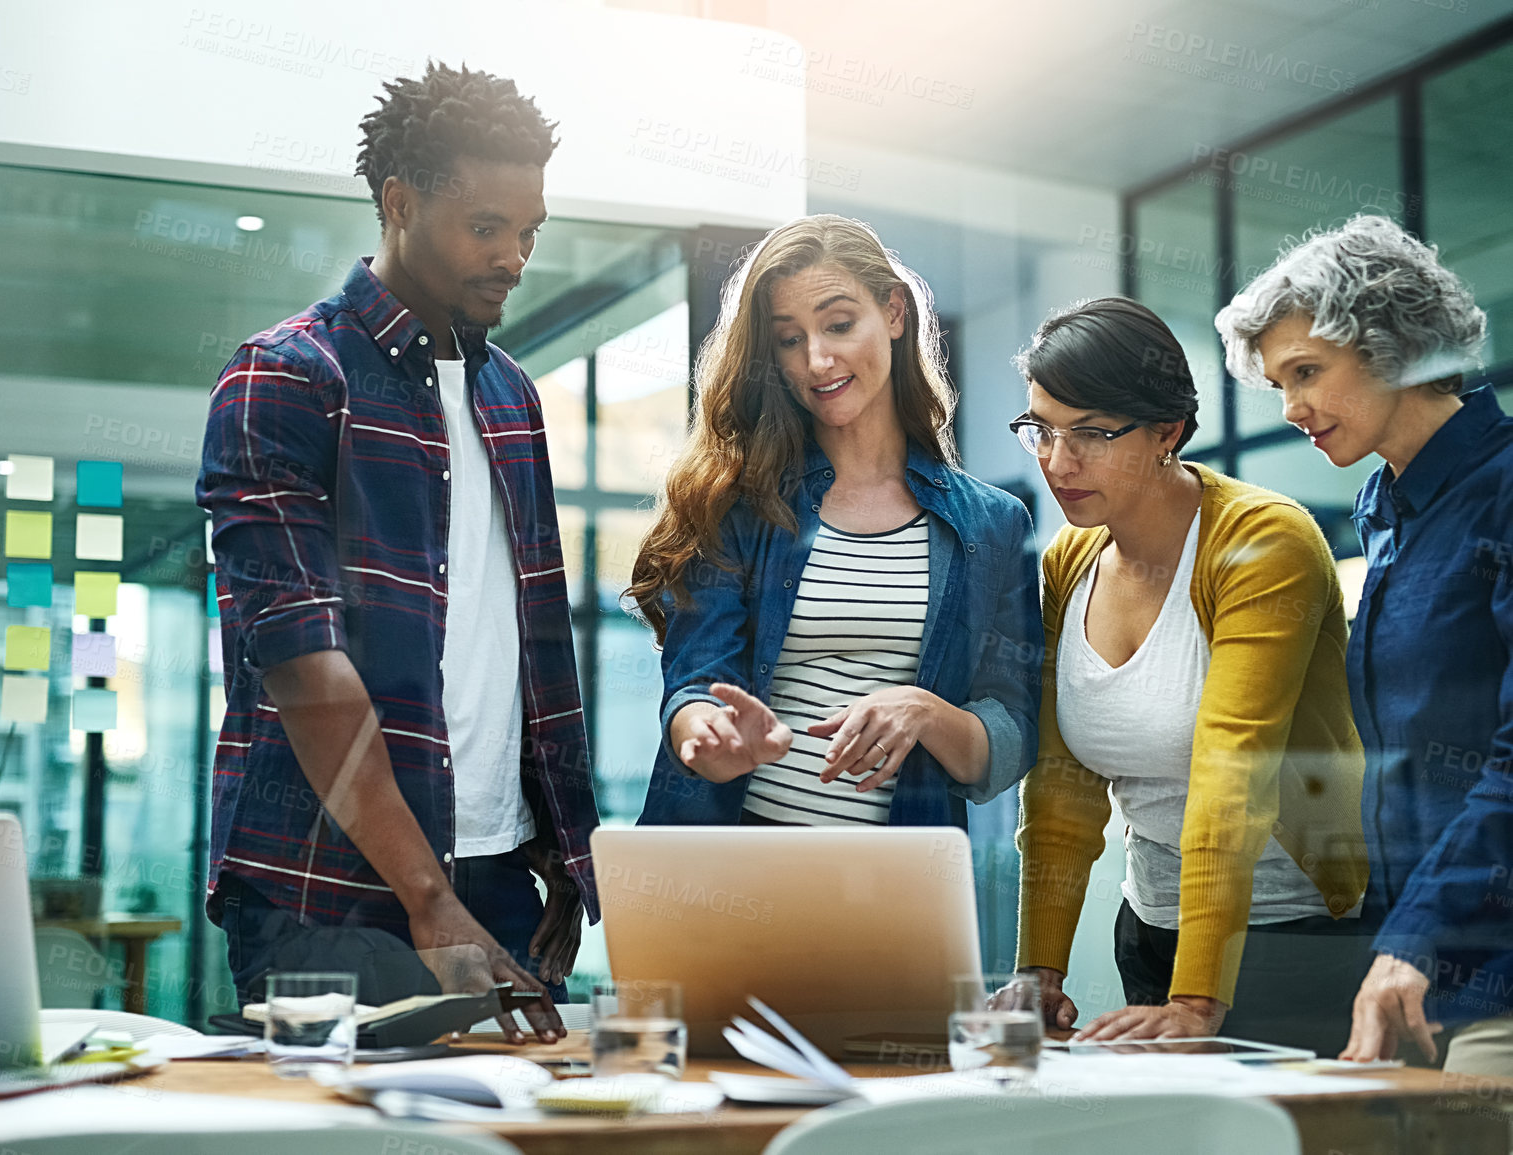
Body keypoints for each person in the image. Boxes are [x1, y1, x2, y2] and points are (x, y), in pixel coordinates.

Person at [195, 63, 599, 1043]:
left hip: (494, 883)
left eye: (530, 231)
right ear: (400, 202)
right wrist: (427, 899)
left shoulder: (513, 398)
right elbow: (299, 665)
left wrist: (550, 843)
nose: (515, 256)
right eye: (486, 227)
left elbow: (521, 644)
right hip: (328, 890)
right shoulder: (288, 375)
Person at [1011, 297, 1369, 1055]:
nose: (1055, 460)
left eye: (1091, 434)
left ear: (1166, 431)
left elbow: (1228, 772)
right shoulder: (1068, 562)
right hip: (1149, 928)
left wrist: (1197, 997)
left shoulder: (1261, 541)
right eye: (1039, 427)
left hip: (1292, 933)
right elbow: (1061, 790)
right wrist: (1037, 971)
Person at [1217, 214, 1513, 1075]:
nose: (1290, 408)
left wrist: (1418, 937)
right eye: (1277, 383)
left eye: (1306, 373)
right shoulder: (1380, 512)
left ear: (1391, 345)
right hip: (1415, 973)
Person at [628, 214, 1040, 830]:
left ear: (895, 312)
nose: (817, 360)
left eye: (840, 325)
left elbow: (1013, 735)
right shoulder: (737, 501)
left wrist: (925, 711)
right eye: (789, 339)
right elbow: (694, 684)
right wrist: (706, 737)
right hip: (738, 869)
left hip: (896, 881)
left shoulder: (992, 524)